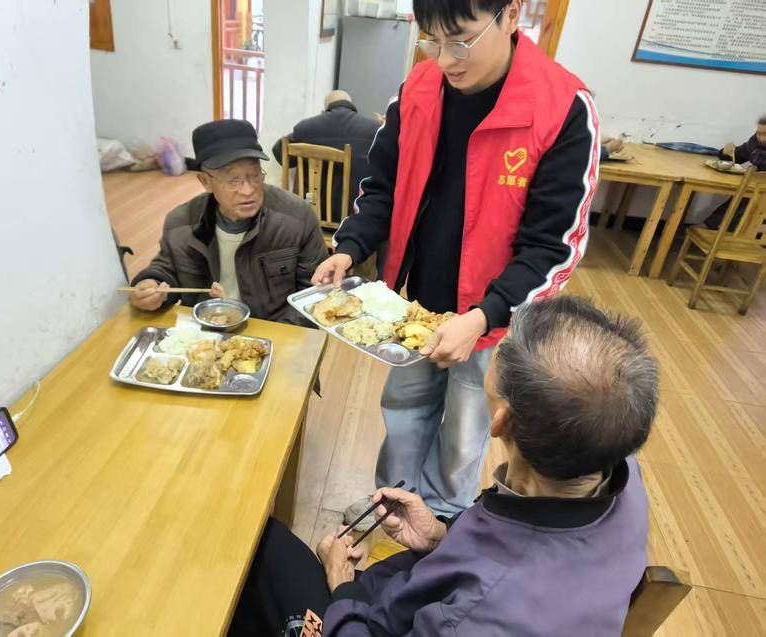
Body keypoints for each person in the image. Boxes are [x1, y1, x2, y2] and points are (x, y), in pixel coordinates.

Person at [312, 0, 600, 520]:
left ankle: (443, 520)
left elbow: (552, 247)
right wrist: (350, 247)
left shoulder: (562, 107)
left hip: (495, 318)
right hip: (418, 303)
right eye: (432, 41)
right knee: (404, 408)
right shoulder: (418, 90)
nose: (445, 60)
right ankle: (391, 507)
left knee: (467, 429)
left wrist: (485, 315)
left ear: (510, 15)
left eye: (461, 41)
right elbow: (382, 188)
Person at [229, 296, 657, 636]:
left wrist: (341, 584)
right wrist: (442, 536)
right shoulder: (616, 465)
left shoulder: (480, 615)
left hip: (376, 620)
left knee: (257, 550)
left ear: (501, 421)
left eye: (502, 350)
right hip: (423, 591)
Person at [129, 120, 329, 324]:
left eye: (254, 175)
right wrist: (152, 285)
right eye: (233, 181)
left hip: (275, 329)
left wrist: (272, 335)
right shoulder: (181, 223)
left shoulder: (297, 217)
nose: (248, 190)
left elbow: (316, 292)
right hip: (205, 332)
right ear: (205, 181)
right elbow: (167, 269)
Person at [273, 90, 381, 224]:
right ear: (351, 105)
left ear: (325, 108)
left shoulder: (306, 128)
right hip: (354, 219)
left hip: (309, 217)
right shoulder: (373, 129)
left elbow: (279, 152)